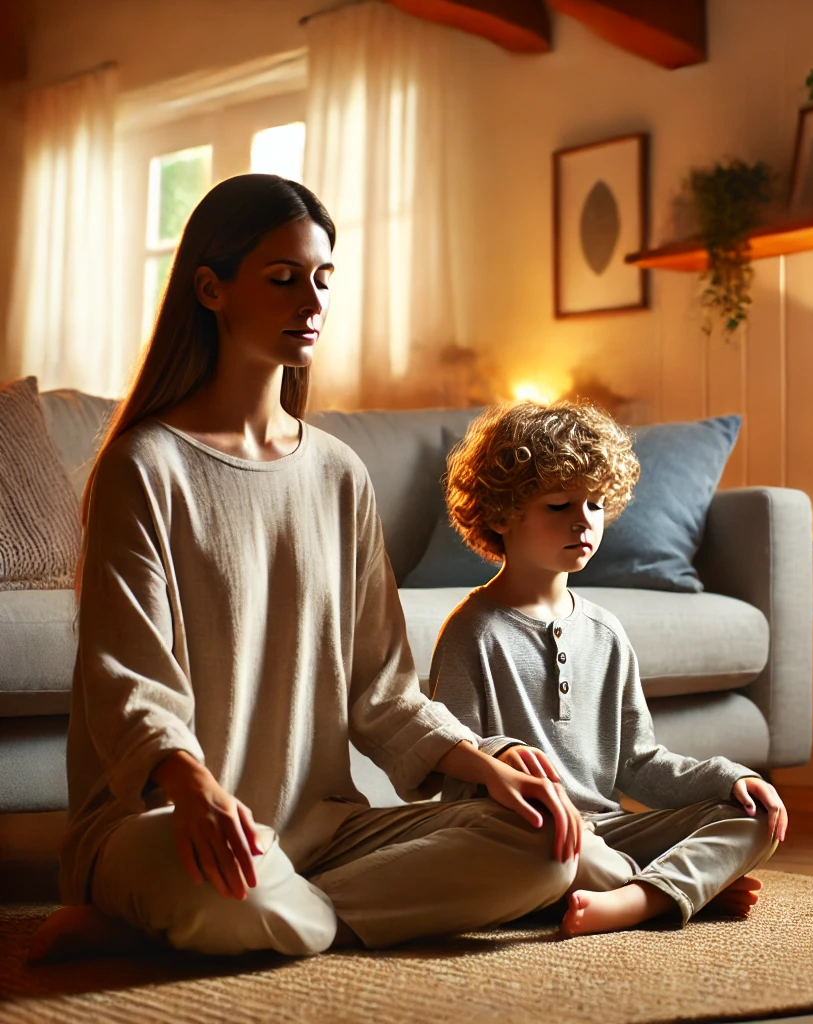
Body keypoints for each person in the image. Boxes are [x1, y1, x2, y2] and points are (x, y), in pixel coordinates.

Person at [29, 175, 582, 964]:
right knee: (243, 891)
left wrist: (484, 762)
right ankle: (256, 911)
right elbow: (129, 682)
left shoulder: (338, 474)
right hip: (164, 819)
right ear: (210, 289)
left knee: (544, 843)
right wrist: (193, 786)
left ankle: (201, 928)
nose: (312, 302)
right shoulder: (142, 467)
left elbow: (382, 690)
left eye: (323, 280)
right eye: (284, 279)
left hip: (322, 832)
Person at [429, 400, 789, 937]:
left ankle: (642, 895)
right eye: (559, 505)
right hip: (529, 833)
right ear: (502, 514)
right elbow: (451, 766)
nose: (584, 521)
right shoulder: (472, 632)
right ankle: (668, 891)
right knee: (545, 850)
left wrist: (730, 777)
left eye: (596, 504)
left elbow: (640, 763)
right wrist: (497, 756)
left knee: (755, 819)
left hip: (611, 834)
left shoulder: (606, 632)